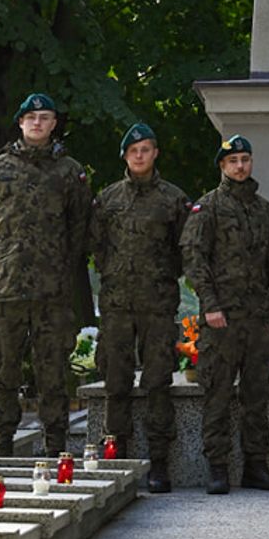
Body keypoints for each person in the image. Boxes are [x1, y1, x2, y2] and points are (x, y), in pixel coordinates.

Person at [0, 92, 90, 455]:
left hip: (52, 292)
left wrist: (58, 265)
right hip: (5, 289)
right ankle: (3, 444)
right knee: (3, 371)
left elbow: (79, 227)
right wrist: (0, 259)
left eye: (45, 117)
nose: (37, 122)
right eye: (31, 117)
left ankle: (55, 446)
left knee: (52, 373)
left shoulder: (71, 172)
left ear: (54, 124)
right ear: (21, 123)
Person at [182, 134, 269, 495]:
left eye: (245, 159)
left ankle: (256, 466)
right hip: (222, 319)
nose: (240, 166)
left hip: (258, 317)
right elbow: (195, 260)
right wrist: (210, 305)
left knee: (255, 394)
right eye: (233, 161)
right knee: (217, 393)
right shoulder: (207, 208)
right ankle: (217, 467)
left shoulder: (265, 211)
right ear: (222, 166)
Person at [92, 122, 191, 494]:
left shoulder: (173, 199)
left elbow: (185, 250)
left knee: (157, 383)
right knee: (116, 381)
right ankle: (116, 455)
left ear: (155, 154)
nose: (139, 155)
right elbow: (97, 246)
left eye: (146, 149)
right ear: (125, 156)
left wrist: (160, 278)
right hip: (117, 305)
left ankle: (159, 462)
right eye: (133, 150)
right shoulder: (108, 199)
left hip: (158, 305)